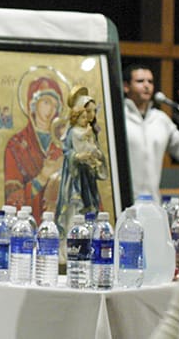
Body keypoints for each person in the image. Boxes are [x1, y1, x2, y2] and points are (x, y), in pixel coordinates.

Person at [4, 76, 65, 221]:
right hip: (26, 228)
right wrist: (43, 177)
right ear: (33, 103)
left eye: (55, 105)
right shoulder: (16, 146)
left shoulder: (64, 144)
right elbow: (11, 202)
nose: (51, 110)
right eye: (46, 102)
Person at [123, 63, 179, 203]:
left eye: (150, 81)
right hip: (124, 203)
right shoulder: (118, 117)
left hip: (153, 203)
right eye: (140, 81)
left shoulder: (161, 119)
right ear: (126, 86)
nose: (146, 85)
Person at [55, 85, 107, 242]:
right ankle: (71, 238)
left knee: (90, 204)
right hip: (74, 176)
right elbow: (67, 151)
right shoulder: (73, 131)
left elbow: (96, 149)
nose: (91, 115)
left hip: (88, 174)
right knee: (74, 207)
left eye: (93, 111)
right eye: (88, 112)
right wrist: (78, 156)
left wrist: (96, 157)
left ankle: (87, 237)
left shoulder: (91, 130)